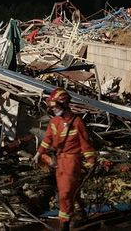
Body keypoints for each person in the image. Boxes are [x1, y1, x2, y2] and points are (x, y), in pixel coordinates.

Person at [33, 87, 96, 230]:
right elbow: (47, 139)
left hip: (72, 161)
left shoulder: (77, 122)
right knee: (72, 189)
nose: (54, 110)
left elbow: (85, 143)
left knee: (65, 192)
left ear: (64, 104)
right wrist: (39, 153)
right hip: (59, 161)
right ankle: (80, 212)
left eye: (55, 107)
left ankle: (64, 224)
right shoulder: (54, 122)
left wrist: (91, 161)